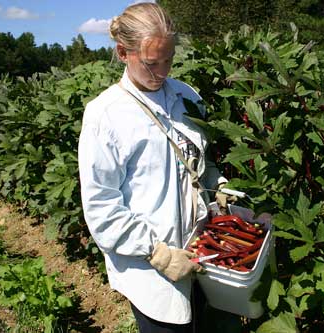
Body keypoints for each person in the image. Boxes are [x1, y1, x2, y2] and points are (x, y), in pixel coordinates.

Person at [78, 3, 235, 332]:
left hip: (205, 254)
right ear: (123, 52)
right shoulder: (105, 115)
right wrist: (159, 255)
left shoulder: (186, 95)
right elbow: (102, 207)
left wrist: (217, 185)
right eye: (151, 63)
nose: (162, 72)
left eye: (169, 60)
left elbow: (198, 161)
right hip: (152, 273)